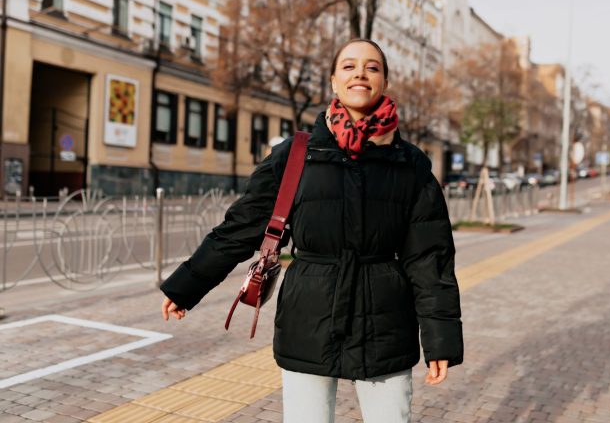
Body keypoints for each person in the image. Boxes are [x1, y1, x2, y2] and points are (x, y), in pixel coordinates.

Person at [160, 39, 463, 423]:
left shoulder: (410, 163)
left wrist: (440, 339)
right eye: (349, 66)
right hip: (309, 317)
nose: (360, 73)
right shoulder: (296, 154)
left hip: (385, 321)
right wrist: (185, 286)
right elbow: (241, 226)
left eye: (372, 67)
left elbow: (430, 258)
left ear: (384, 82)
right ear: (334, 81)